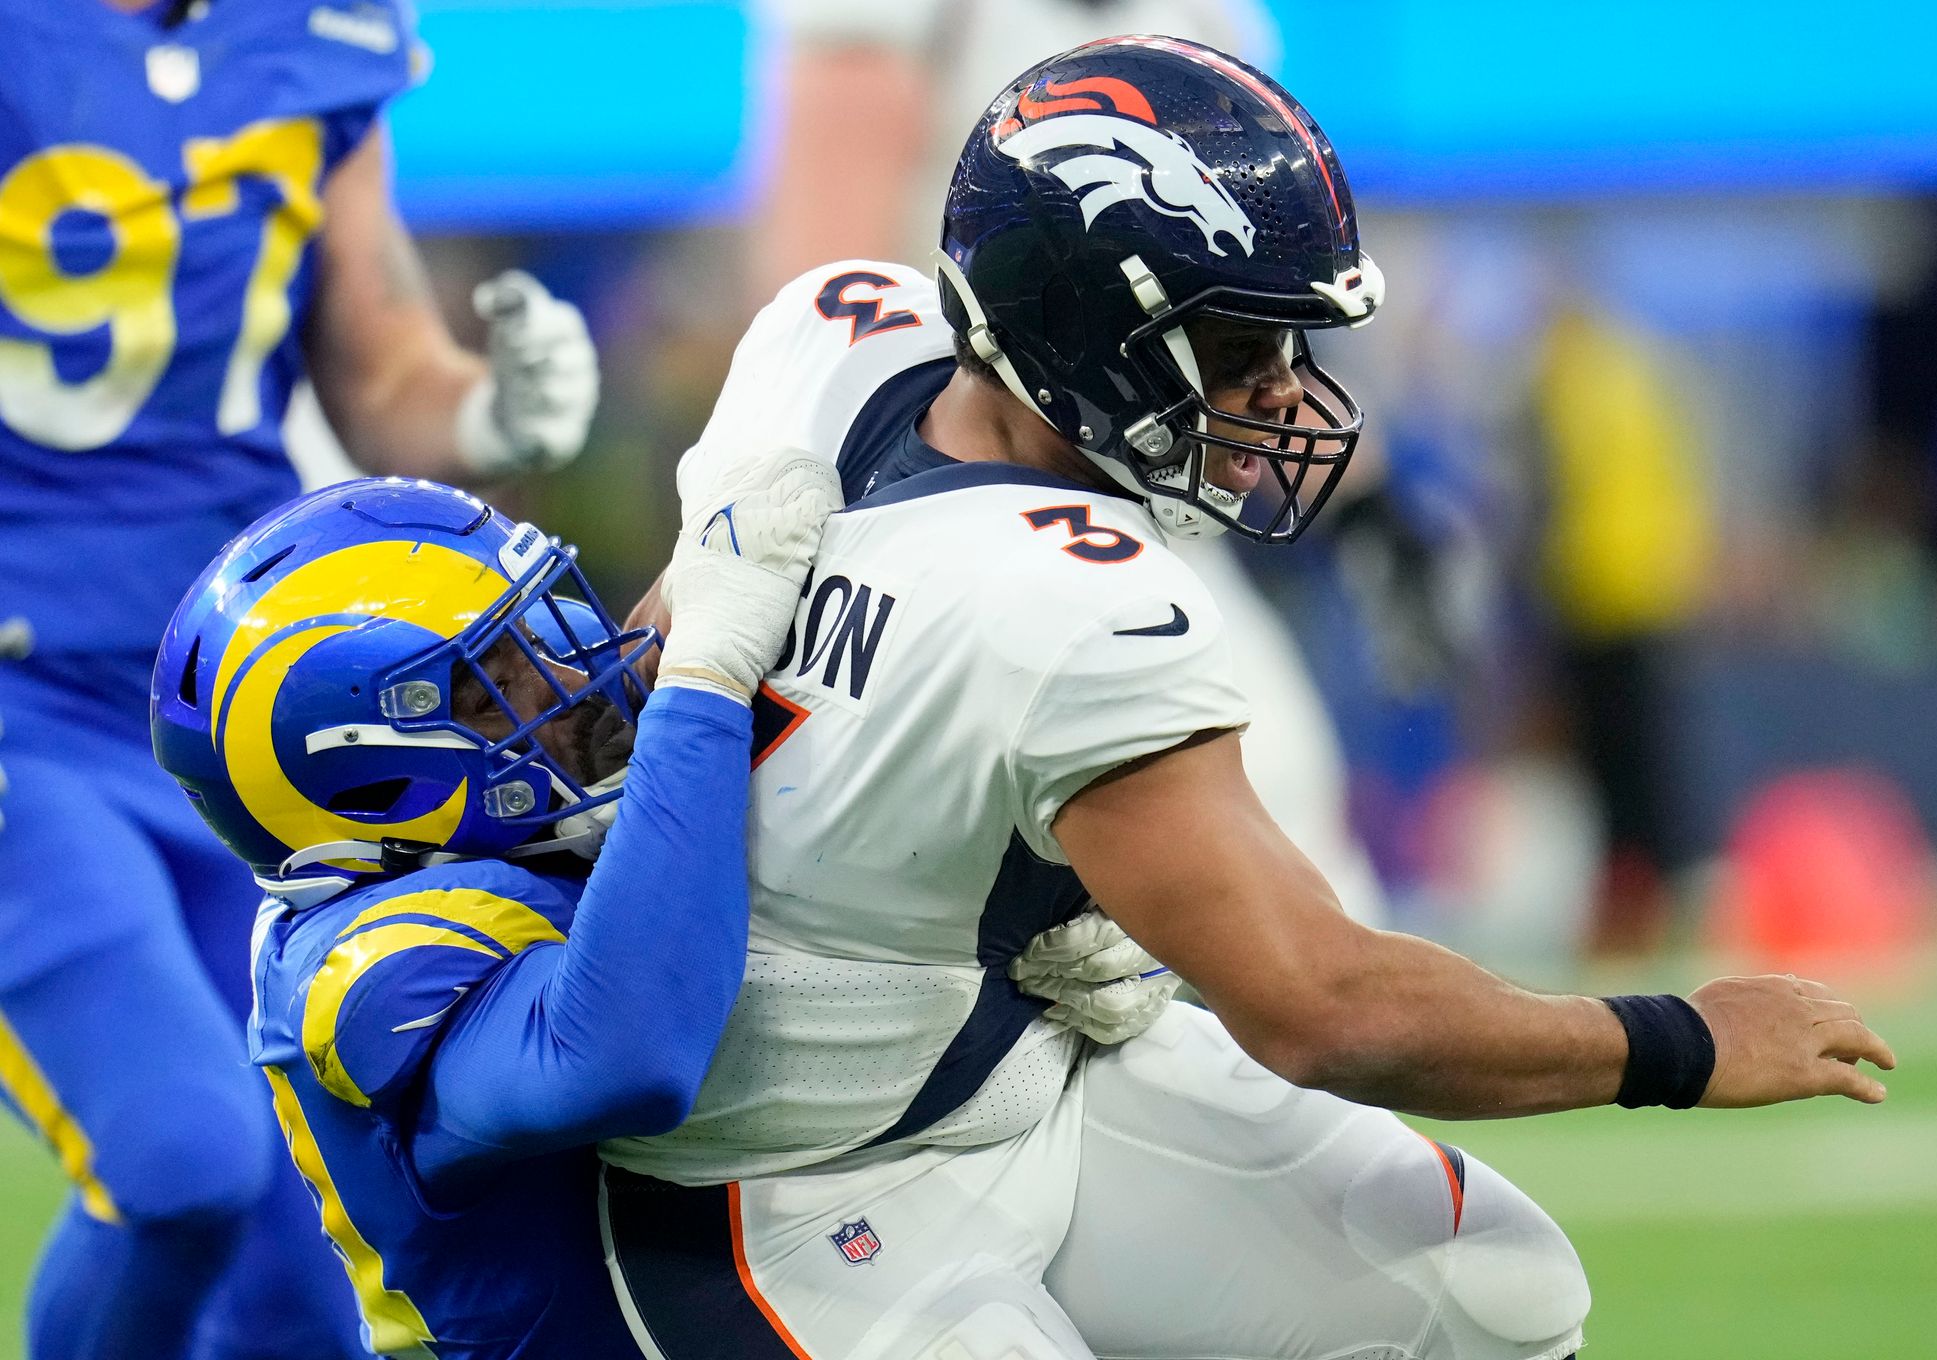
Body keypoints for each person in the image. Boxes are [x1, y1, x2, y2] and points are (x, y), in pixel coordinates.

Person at [600, 37, 1897, 1360]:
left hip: (1007, 1070)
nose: (1277, 389)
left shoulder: (837, 337)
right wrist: (1678, 1043)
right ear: (1082, 326)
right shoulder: (1080, 600)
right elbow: (1325, 1007)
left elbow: (659, 669)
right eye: (1231, 342)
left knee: (1487, 1291)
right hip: (792, 1191)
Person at [0, 3, 598, 1356]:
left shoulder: (306, 35)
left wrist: (486, 415)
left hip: (238, 710)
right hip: (18, 706)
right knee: (180, 1165)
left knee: (305, 1278)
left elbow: (383, 366)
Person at [143, 454, 833, 1359]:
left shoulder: (496, 837)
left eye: (529, 628)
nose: (564, 674)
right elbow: (627, 1054)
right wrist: (705, 688)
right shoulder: (370, 967)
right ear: (376, 780)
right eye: (494, 681)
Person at [751, 0, 1389, 927]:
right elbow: (829, 279)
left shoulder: (1203, 18)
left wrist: (1369, 498)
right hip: (975, 471)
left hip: (1139, 451)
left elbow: (1251, 292)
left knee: (1281, 815)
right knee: (1277, 830)